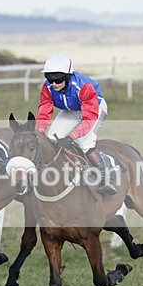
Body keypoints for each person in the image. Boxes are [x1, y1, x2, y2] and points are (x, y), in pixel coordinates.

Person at [36, 53, 116, 196]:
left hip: (94, 110)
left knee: (85, 143)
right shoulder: (47, 87)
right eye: (49, 78)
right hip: (70, 110)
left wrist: (72, 136)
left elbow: (89, 118)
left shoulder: (84, 87)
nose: (53, 83)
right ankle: (65, 171)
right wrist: (39, 130)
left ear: (67, 76)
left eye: (58, 78)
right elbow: (45, 109)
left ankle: (106, 176)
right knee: (50, 139)